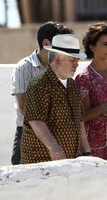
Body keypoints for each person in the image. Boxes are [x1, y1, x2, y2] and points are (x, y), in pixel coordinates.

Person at [20, 34, 91, 164]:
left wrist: (86, 152)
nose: (76, 64)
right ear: (57, 59)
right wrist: (53, 146)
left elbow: (79, 120)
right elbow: (35, 120)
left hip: (69, 162)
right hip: (41, 162)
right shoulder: (40, 83)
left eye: (77, 61)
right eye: (72, 60)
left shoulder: (72, 85)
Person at [11, 21, 73, 165]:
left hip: (58, 136)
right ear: (46, 43)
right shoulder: (24, 68)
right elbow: (25, 108)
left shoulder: (63, 68)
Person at [75, 22, 107, 159]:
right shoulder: (84, 78)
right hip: (96, 147)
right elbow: (82, 116)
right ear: (92, 46)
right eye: (105, 44)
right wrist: (104, 107)